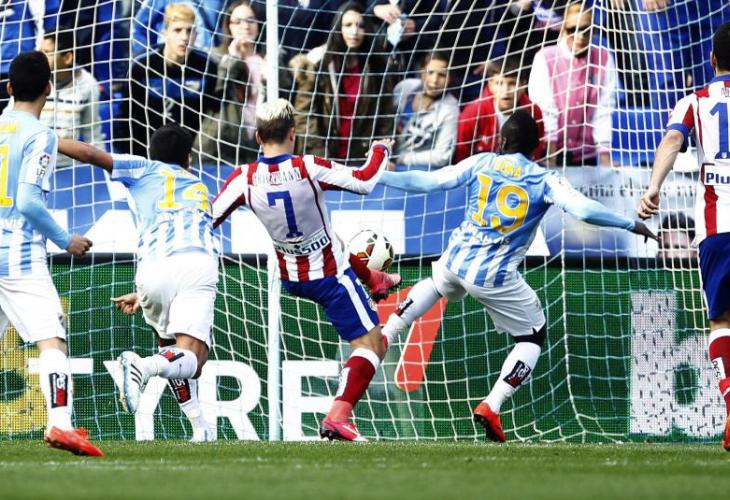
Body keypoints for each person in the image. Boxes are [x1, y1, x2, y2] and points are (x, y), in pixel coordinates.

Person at [379, 110, 655, 442]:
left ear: (503, 141)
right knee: (532, 336)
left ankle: (387, 332)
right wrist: (630, 223)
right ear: (537, 148)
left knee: (437, 283)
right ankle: (492, 405)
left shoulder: (482, 162)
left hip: (456, 258)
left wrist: (382, 174)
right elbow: (583, 210)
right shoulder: (544, 179)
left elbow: (430, 182)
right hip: (493, 275)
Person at [212, 99, 399, 441]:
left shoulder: (243, 178)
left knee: (330, 236)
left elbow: (209, 218)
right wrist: (380, 150)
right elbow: (364, 181)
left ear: (257, 137)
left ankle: (374, 278)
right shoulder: (307, 167)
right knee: (374, 346)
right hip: (329, 277)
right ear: (293, 134)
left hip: (291, 276)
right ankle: (338, 416)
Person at [58, 124, 219, 443]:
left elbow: (89, 153)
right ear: (188, 158)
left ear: (151, 153)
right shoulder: (200, 187)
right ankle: (142, 367)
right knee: (193, 360)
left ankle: (200, 427)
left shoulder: (143, 168)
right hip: (196, 263)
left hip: (152, 271)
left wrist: (45, 138)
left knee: (170, 351)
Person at [0, 51, 100, 456]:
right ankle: (60, 424)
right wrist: (65, 240)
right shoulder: (40, 135)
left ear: (9, 88)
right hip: (18, 256)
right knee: (52, 341)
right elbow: (27, 201)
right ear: (48, 88)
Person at [638, 22, 730, 451]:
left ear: (712, 60)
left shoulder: (695, 100)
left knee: (722, 322)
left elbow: (673, 139)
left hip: (717, 229)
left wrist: (654, 187)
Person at [290, 1, 395, 164]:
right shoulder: (318, 63)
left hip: (361, 157)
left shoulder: (377, 65)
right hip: (323, 156)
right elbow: (304, 115)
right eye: (348, 25)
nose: (354, 31)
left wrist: (381, 155)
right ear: (338, 28)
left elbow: (385, 116)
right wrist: (319, 156)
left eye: (360, 25)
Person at [121, 3, 218, 157]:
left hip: (191, 154)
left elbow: (209, 116)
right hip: (147, 153)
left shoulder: (207, 67)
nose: (184, 37)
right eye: (177, 30)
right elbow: (129, 118)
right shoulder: (142, 67)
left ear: (196, 34)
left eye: (190, 31)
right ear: (165, 33)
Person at [528, 1, 618, 167]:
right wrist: (551, 157)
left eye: (586, 30)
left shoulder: (604, 57)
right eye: (572, 30)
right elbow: (546, 109)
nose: (580, 36)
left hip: (585, 154)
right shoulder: (545, 57)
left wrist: (606, 159)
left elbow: (603, 110)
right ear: (563, 29)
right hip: (549, 151)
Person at [455, 56, 544, 163]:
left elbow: (535, 153)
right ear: (490, 85)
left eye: (512, 83)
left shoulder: (533, 112)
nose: (505, 90)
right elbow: (461, 155)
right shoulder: (473, 113)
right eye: (499, 83)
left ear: (523, 85)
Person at [36, 29, 104, 166]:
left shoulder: (88, 85)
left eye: (47, 53)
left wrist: (102, 168)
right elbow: (10, 119)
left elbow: (93, 134)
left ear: (67, 57)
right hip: (33, 162)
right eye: (40, 52)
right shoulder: (32, 78)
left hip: (68, 168)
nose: (40, 58)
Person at [392, 52, 459, 170]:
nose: (434, 80)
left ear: (450, 79)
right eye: (430, 72)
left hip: (417, 169)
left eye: (442, 75)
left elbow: (442, 156)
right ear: (422, 72)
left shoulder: (450, 110)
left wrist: (400, 159)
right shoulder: (404, 88)